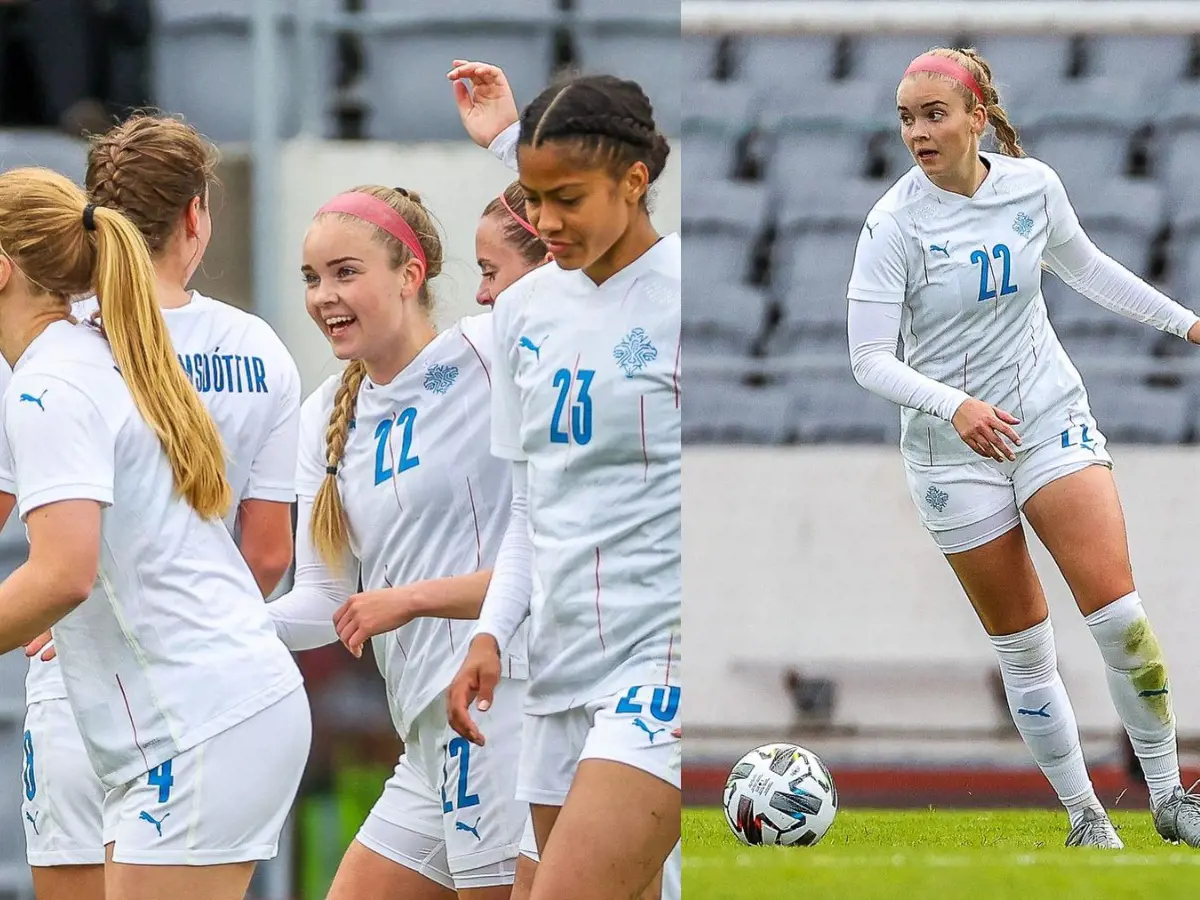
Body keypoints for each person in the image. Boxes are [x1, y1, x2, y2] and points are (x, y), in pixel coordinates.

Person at [847, 47, 1200, 847]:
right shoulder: (893, 223)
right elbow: (868, 359)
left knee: (1119, 618)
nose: (917, 133)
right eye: (906, 118)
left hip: (1046, 416)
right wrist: (957, 406)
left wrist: (1186, 322)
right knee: (1026, 644)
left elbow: (1089, 270)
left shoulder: (1033, 187)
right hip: (950, 451)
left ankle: (1170, 797)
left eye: (934, 115)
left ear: (978, 116)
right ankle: (1086, 816)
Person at [14, 113, 302, 900]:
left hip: (119, 687)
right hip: (163, 683)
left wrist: (76, 594)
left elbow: (53, 554)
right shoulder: (257, 347)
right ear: (194, 216)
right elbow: (269, 557)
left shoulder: (55, 350)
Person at [444, 73, 682, 900]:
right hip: (557, 663)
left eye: (566, 199)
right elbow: (528, 505)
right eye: (534, 200)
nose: (544, 222)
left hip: (662, 657)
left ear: (635, 181)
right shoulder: (525, 310)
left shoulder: (686, 295)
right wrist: (490, 634)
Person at [265, 184, 529, 900]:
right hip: (426, 739)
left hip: (498, 712)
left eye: (346, 272)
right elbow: (327, 605)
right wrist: (205, 629)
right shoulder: (323, 414)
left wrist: (509, 141)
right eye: (312, 278)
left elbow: (548, 550)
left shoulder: (485, 352)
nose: (324, 296)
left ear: (411, 275)